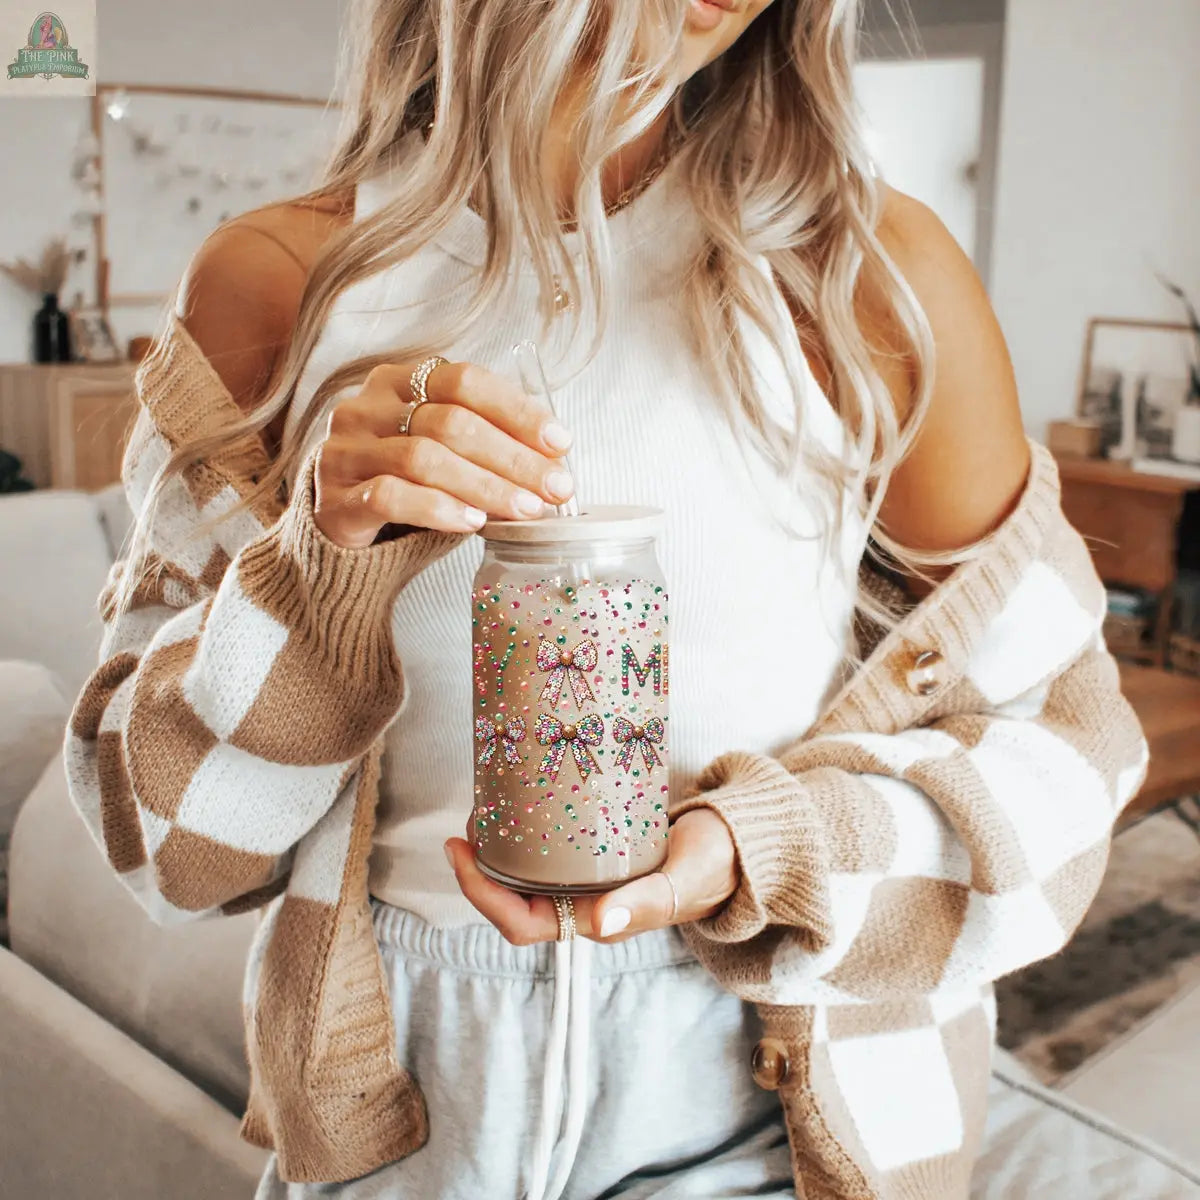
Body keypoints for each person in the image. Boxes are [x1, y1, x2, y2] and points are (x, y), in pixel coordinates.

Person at [63, 1, 1147, 1198]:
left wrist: (765, 852)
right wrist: (319, 563)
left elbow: (1072, 759)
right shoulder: (281, 285)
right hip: (408, 1120)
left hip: (774, 1105)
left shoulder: (865, 281)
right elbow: (163, 852)